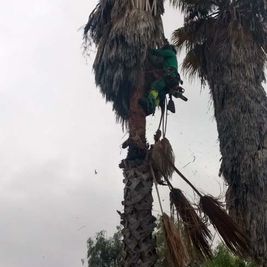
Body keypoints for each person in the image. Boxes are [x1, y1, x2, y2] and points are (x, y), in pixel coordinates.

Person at [139, 43, 182, 115]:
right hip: (173, 81)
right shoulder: (171, 60)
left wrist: (148, 49)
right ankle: (152, 108)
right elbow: (156, 63)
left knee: (155, 86)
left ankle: (149, 103)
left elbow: (158, 53)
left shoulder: (170, 52)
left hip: (169, 77)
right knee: (160, 95)